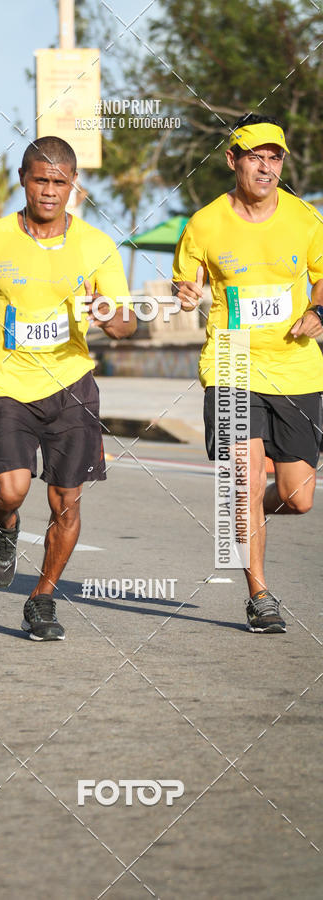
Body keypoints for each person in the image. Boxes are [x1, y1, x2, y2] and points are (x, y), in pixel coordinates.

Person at [0, 136, 136, 641]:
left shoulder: (96, 245)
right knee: (11, 490)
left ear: (74, 185)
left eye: (60, 182)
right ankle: (2, 522)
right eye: (40, 180)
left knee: (65, 501)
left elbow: (126, 323)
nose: (50, 191)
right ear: (23, 180)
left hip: (72, 384)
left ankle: (43, 597)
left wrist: (108, 316)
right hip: (6, 382)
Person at [173, 113, 323, 634]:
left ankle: (250, 510)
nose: (266, 167)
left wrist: (318, 311)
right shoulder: (204, 223)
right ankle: (259, 594)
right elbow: (185, 280)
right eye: (255, 157)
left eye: (274, 157)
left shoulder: (305, 219)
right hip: (231, 361)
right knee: (244, 481)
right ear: (232, 160)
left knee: (298, 497)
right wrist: (184, 292)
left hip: (296, 367)